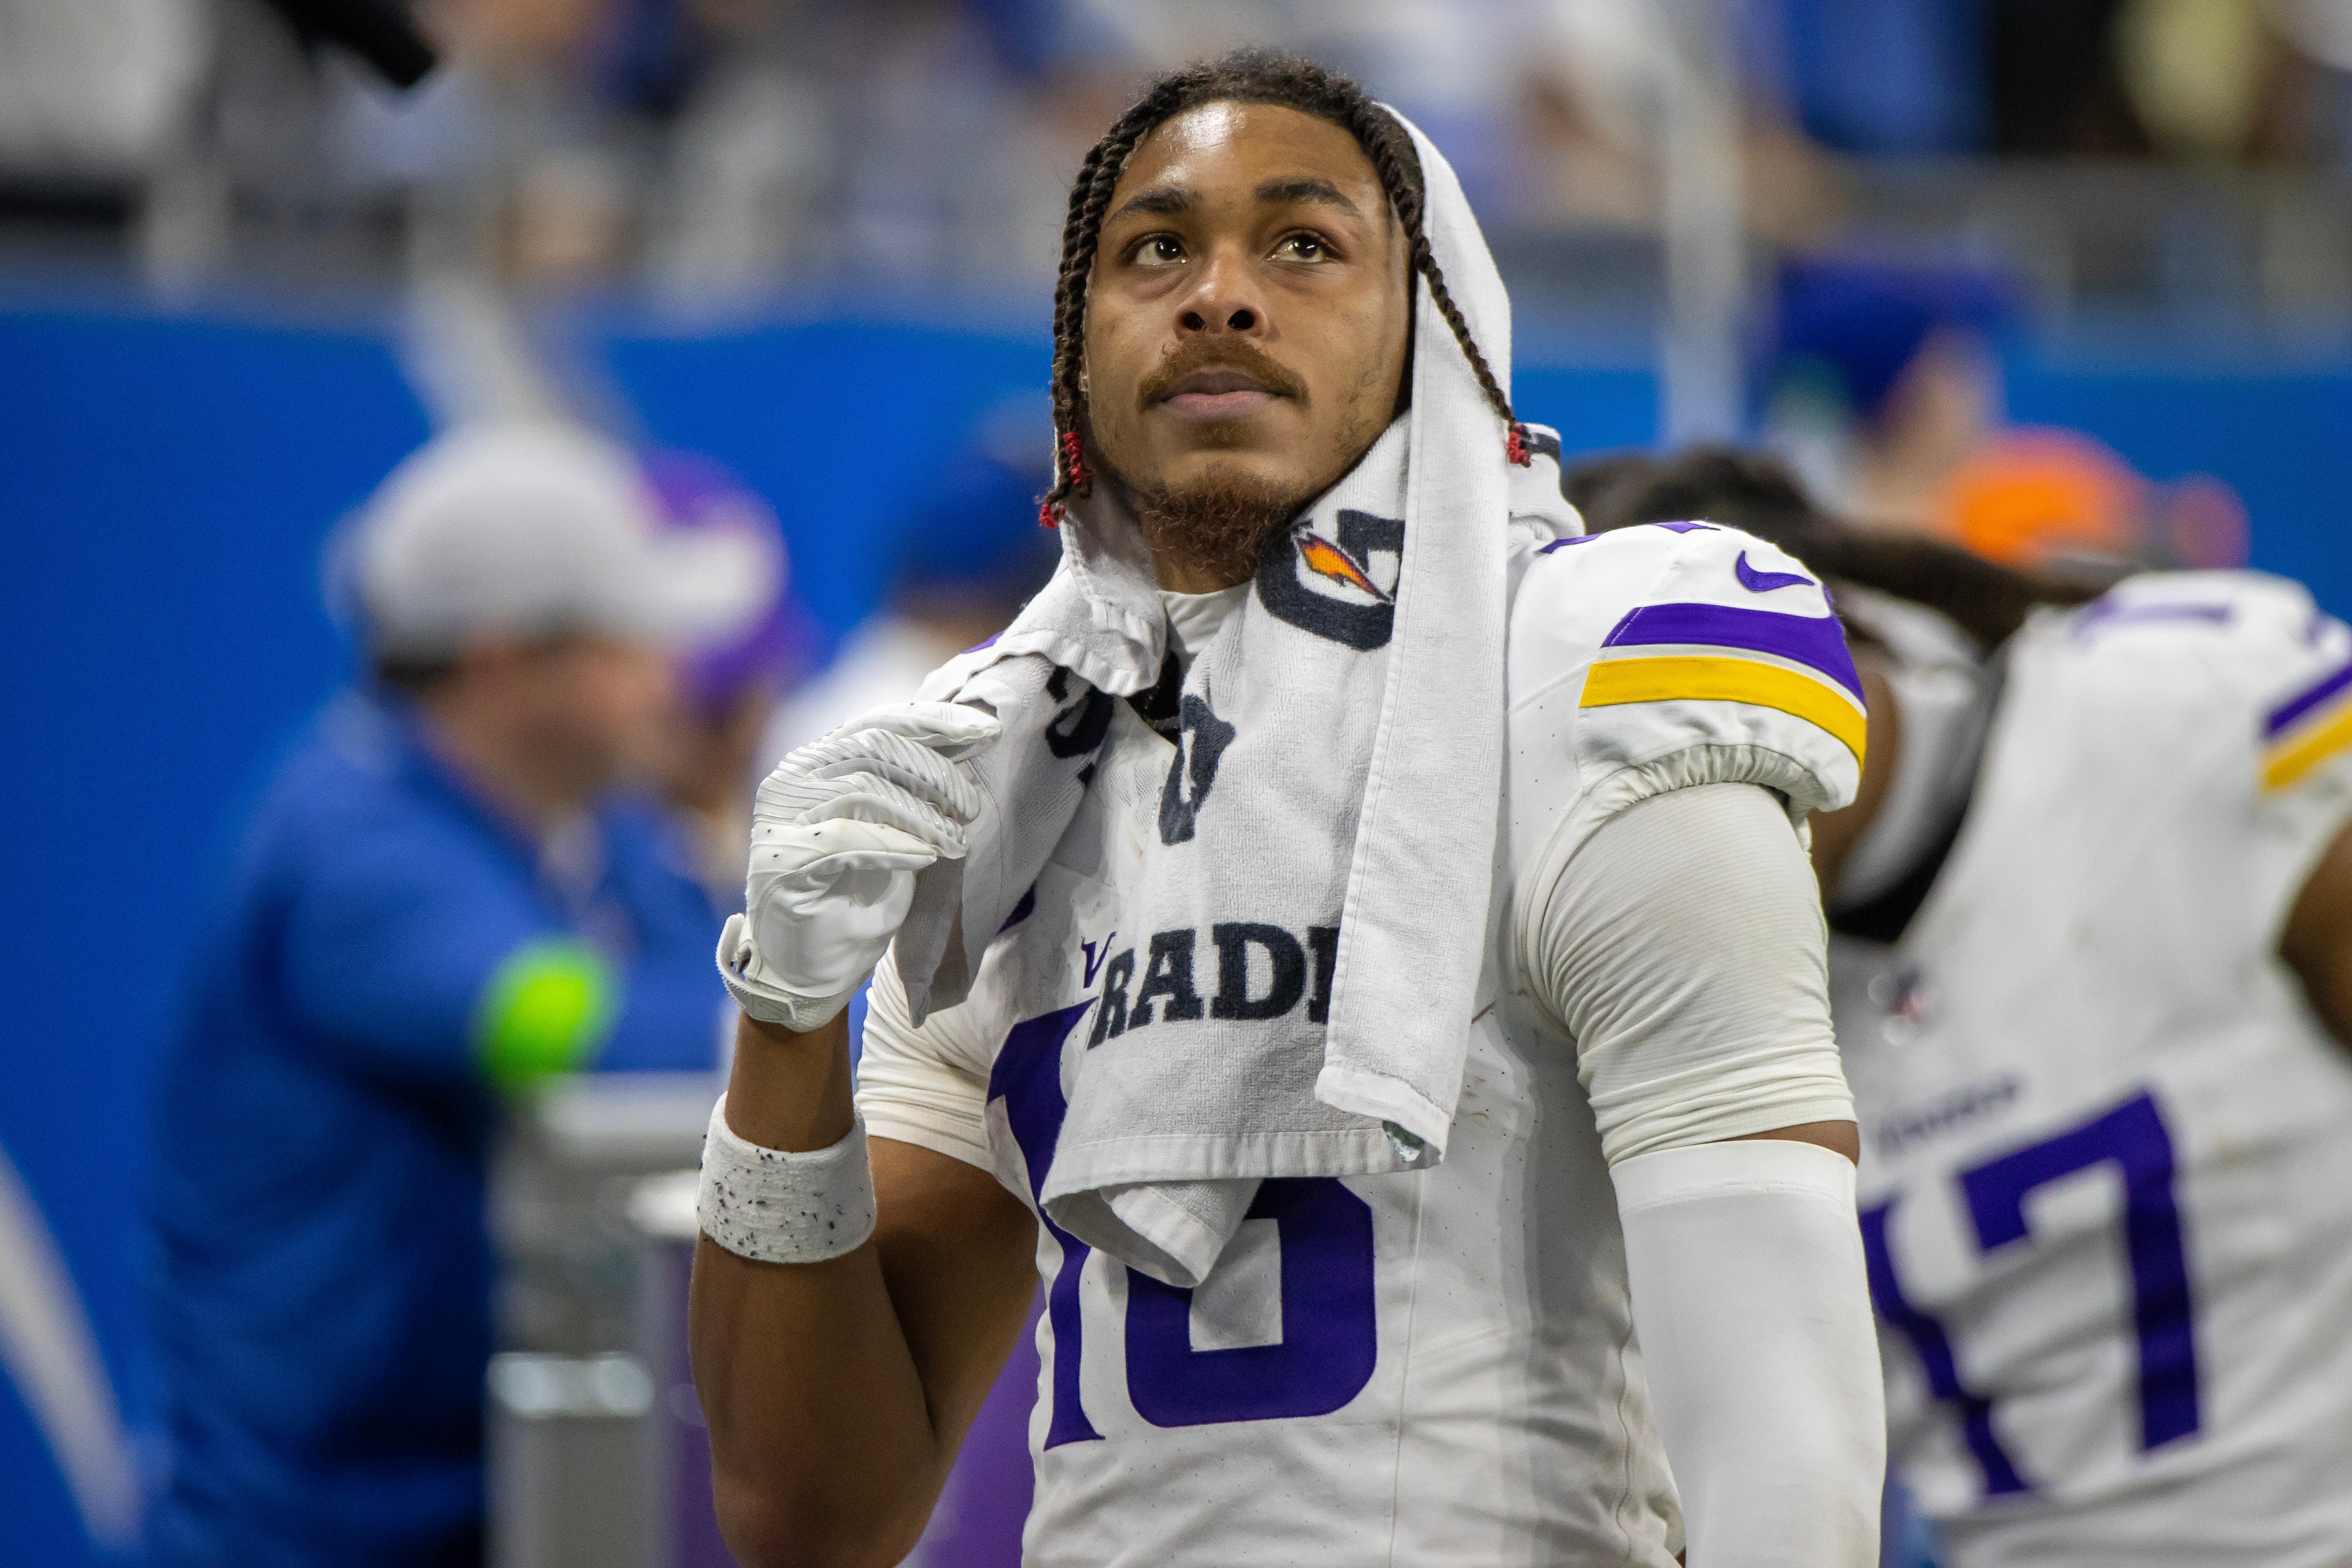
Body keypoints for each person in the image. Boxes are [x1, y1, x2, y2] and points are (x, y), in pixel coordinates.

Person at [690, 51, 1886, 1568]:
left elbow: (1781, 1424)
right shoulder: (1008, 779)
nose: (1217, 295)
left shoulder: (1571, 668)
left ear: (1434, 334)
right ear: (1077, 350)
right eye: (1154, 249)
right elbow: (807, 1517)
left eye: (1303, 243)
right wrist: (786, 1014)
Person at [1573, 446, 2352, 1568]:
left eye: (1668, 736)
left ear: (1819, 633)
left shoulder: (2172, 716)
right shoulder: (1650, 981)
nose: (1653, 814)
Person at [146, 422, 759, 1567]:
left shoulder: (603, 829)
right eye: (626, 641)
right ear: (501, 660)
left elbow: (737, 966)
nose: (667, 675)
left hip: (478, 1504)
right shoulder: (344, 846)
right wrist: (852, 1041)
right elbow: (573, 1033)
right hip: (302, 1528)